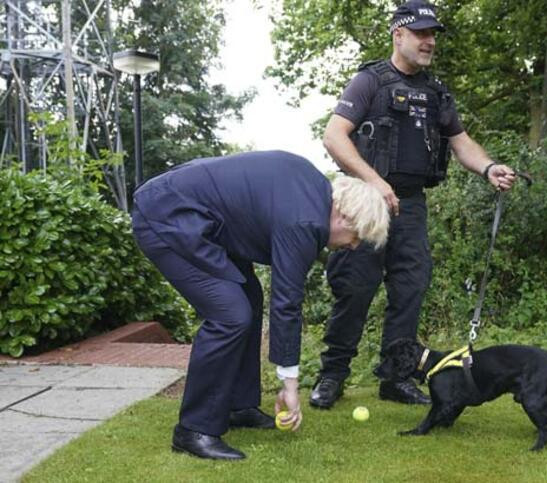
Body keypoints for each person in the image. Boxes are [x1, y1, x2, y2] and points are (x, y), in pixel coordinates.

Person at [309, 0, 517, 409]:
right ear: (398, 34)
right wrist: (375, 182)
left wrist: (489, 167)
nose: (429, 41)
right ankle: (332, 376)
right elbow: (334, 136)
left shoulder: (436, 93)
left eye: (433, 34)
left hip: (411, 206)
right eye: (421, 33)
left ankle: (396, 377)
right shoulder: (369, 82)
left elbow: (461, 144)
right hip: (365, 205)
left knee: (409, 290)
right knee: (354, 289)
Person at [131, 150, 389, 460]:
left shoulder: (312, 193)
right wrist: (290, 385)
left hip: (201, 222)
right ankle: (194, 430)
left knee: (249, 300)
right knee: (230, 315)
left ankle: (238, 406)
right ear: (344, 215)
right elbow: (287, 302)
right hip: (167, 217)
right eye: (357, 235)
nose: (354, 245)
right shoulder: (305, 220)